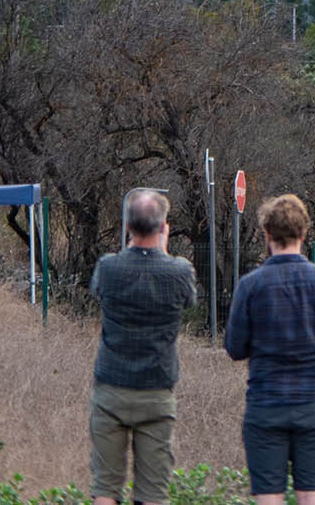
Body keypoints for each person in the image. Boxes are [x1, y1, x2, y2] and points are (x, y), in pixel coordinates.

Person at [225, 193, 315, 505]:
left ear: (267, 234)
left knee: (268, 495)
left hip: (266, 404)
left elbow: (235, 348)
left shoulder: (250, 286)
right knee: (311, 493)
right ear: (304, 234)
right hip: (313, 403)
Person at [88, 188, 198, 505]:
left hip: (111, 387)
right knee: (153, 492)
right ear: (164, 226)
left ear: (127, 227)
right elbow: (189, 300)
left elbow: (99, 292)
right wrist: (161, 253)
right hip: (156, 391)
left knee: (106, 487)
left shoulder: (109, 267)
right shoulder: (179, 271)